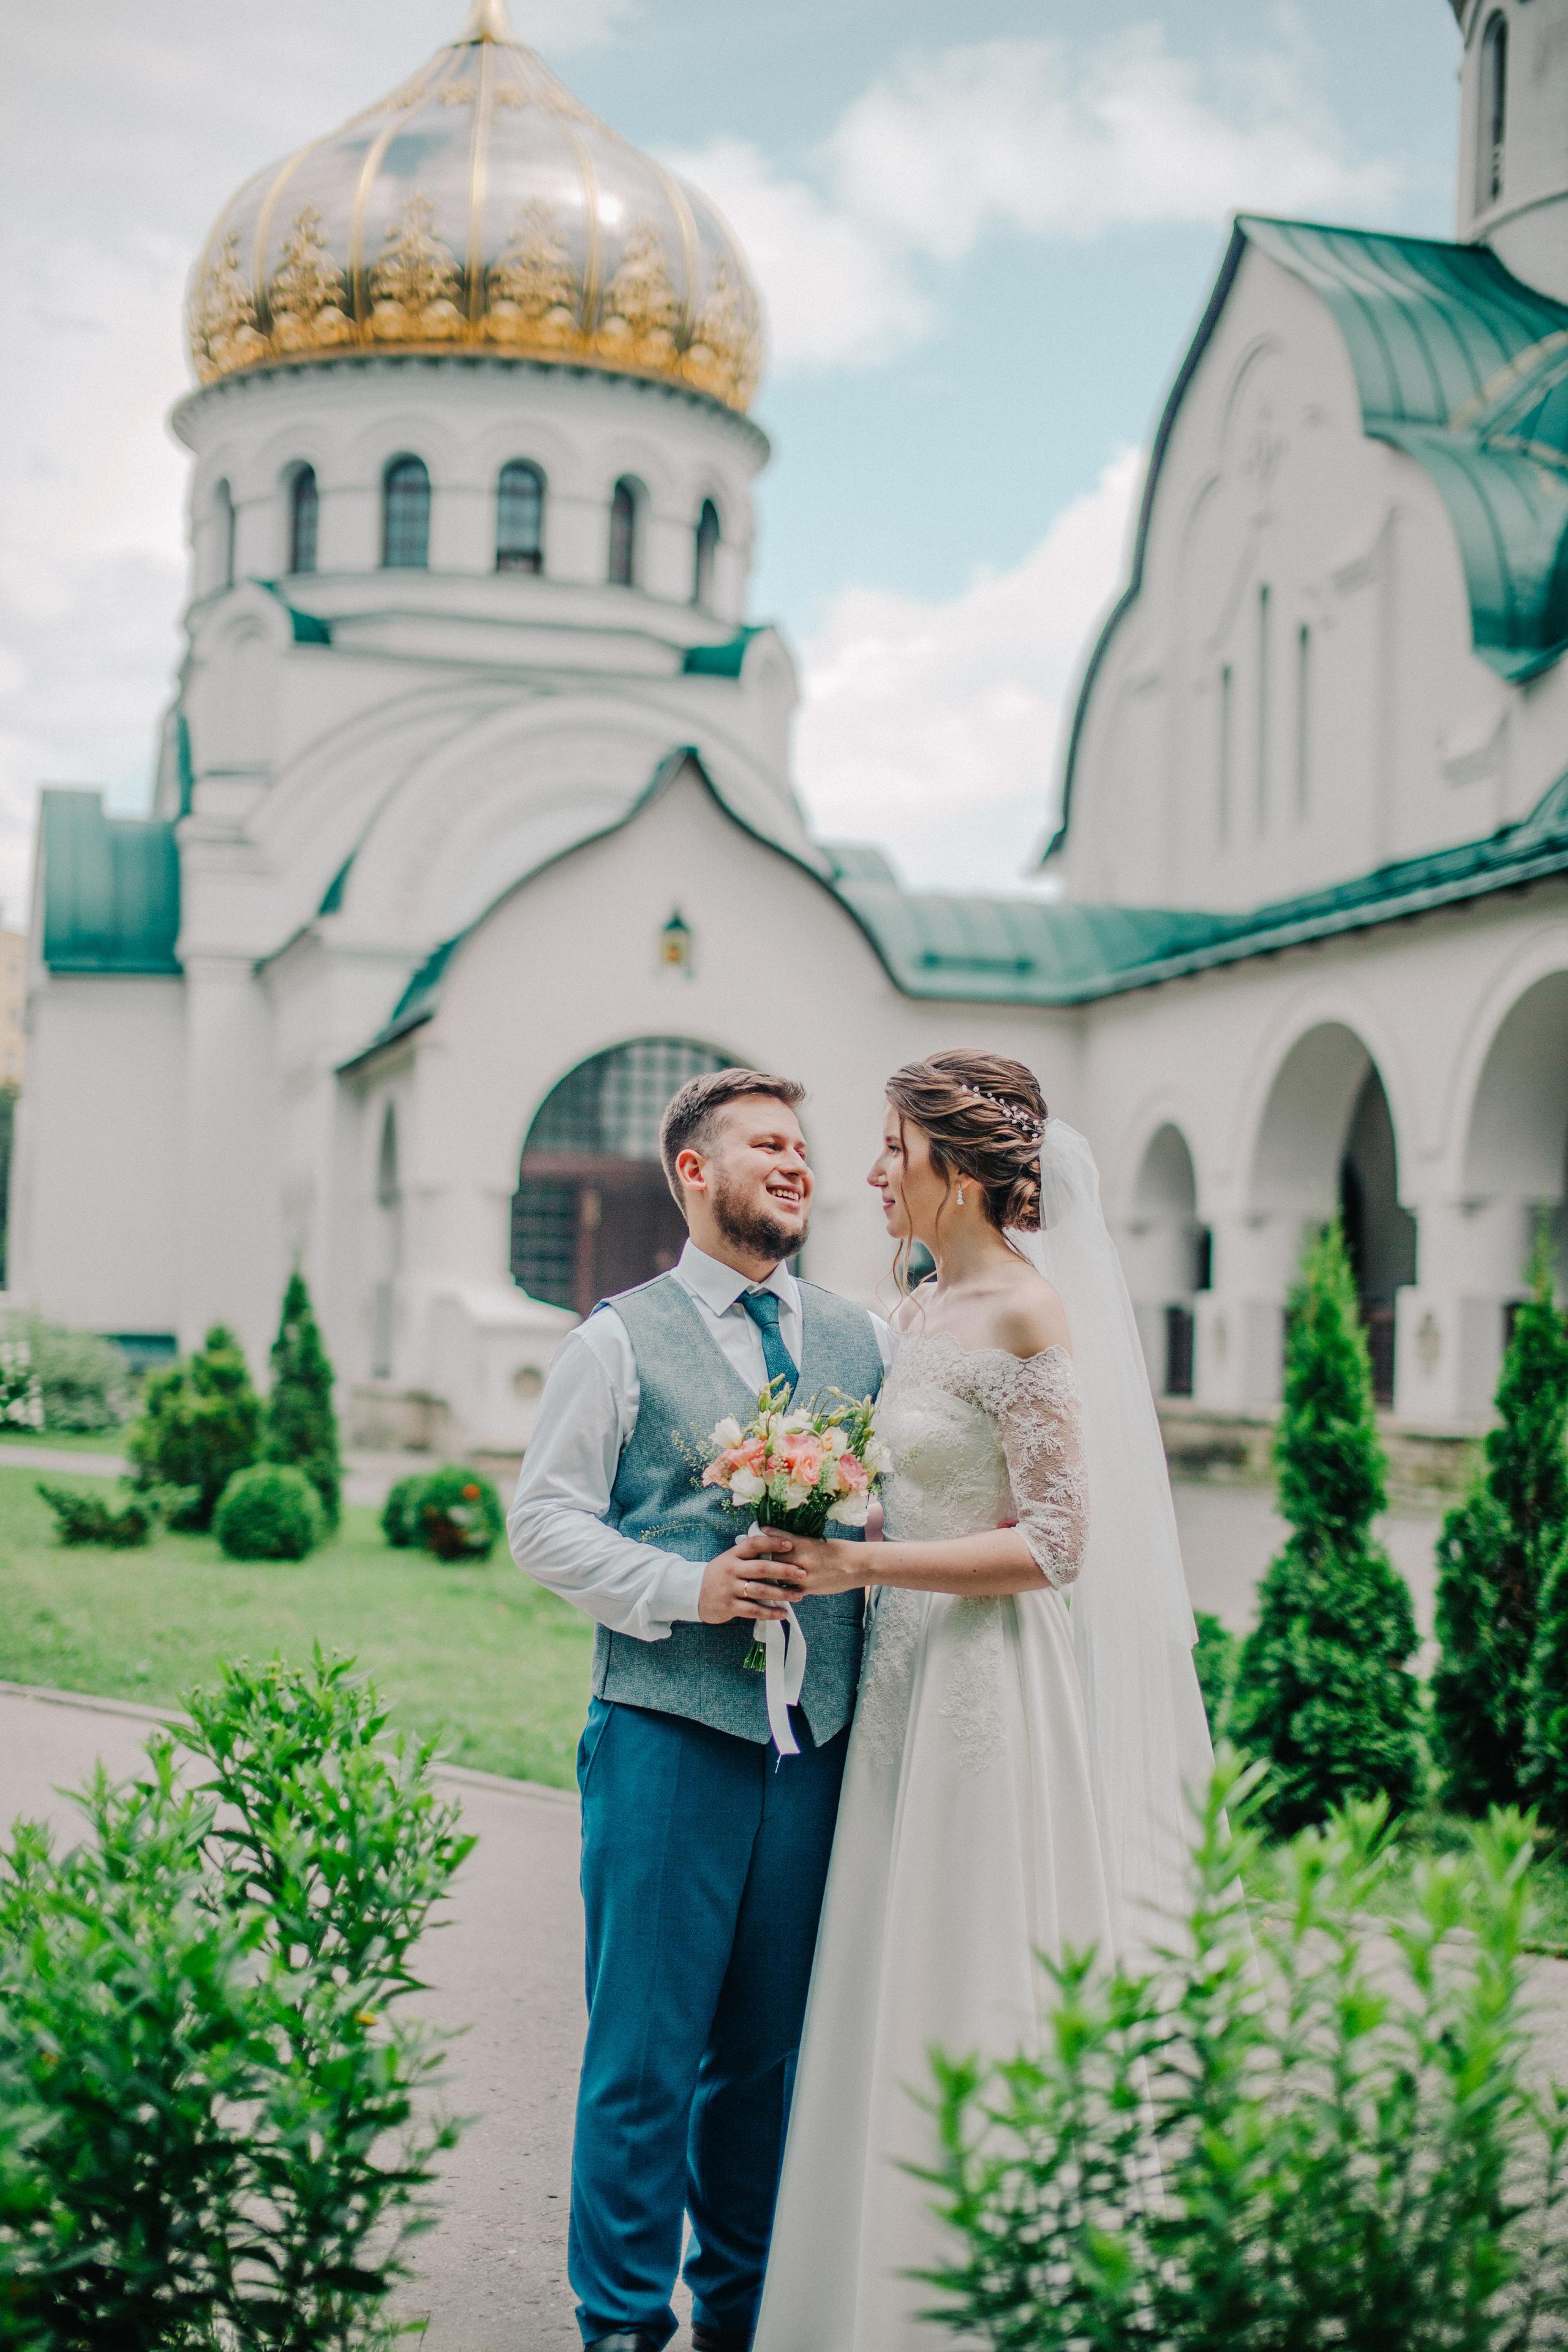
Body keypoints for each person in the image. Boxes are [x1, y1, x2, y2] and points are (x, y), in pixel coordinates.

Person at [752, 1050, 1213, 2352]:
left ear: (955, 1170)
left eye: (889, 1148)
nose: (869, 1173)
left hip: (985, 1687)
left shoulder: (1024, 1312)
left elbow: (1059, 1542)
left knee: (964, 1952)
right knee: (881, 1956)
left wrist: (861, 1561)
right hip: (896, 1681)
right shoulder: (909, 1306)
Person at [507, 1068, 892, 2352]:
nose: (796, 1166)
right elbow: (543, 1522)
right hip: (668, 1740)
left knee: (768, 2069)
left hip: (816, 1751)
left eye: (802, 1148)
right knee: (642, 2066)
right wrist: (688, 1586)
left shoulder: (862, 1339)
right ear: (692, 1173)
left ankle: (742, 2323)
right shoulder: (615, 1338)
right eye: (766, 1146)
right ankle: (620, 2331)